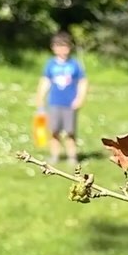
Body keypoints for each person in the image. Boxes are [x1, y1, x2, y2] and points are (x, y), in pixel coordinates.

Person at [36, 31, 88, 167]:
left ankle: (72, 157)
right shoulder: (50, 64)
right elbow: (45, 81)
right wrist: (40, 97)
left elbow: (82, 82)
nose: (62, 50)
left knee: (70, 132)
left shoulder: (75, 64)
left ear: (70, 47)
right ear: (53, 48)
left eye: (65, 46)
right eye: (59, 46)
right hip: (54, 103)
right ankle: (55, 156)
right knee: (54, 131)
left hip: (70, 104)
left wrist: (80, 98)